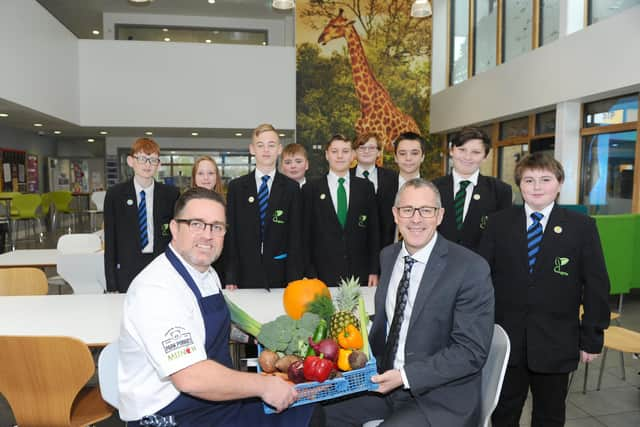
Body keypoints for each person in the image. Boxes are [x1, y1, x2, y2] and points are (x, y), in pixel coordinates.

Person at [118, 187, 319, 426]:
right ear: (174, 228)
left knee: (310, 408)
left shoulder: (206, 272)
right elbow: (190, 377)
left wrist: (258, 337)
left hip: (213, 401)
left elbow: (210, 325)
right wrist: (263, 385)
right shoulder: (156, 289)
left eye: (216, 227)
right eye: (196, 224)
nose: (207, 235)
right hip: (171, 414)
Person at [325, 178, 494, 426]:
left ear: (440, 215)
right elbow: (392, 323)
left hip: (440, 397)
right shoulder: (389, 256)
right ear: (395, 214)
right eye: (407, 210)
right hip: (385, 383)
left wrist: (405, 376)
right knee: (319, 413)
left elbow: (470, 352)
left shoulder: (470, 268)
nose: (416, 219)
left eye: (426, 210)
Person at [478, 153, 610, 427]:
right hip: (506, 340)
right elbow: (481, 280)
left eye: (545, 179)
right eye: (529, 180)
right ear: (520, 185)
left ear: (559, 184)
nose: (537, 187)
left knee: (549, 416)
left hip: (557, 342)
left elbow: (596, 284)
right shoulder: (498, 223)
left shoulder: (581, 227)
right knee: (503, 413)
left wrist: (592, 337)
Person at [224, 123, 303, 289]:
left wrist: (294, 279)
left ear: (279, 149)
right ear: (252, 149)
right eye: (260, 145)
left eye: (271, 145)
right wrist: (231, 275)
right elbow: (231, 236)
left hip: (280, 276)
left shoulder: (291, 188)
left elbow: (295, 237)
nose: (266, 150)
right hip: (244, 276)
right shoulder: (237, 187)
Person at [104, 137, 179, 293]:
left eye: (152, 160)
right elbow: (110, 242)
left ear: (158, 164)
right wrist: (111, 284)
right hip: (128, 268)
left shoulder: (170, 194)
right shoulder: (115, 195)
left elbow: (174, 234)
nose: (147, 164)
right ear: (131, 161)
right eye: (142, 158)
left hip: (161, 264)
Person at [303, 134, 380, 287]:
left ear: (353, 155)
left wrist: (374, 269)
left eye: (345, 151)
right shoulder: (311, 189)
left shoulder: (365, 187)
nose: (339, 156)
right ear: (326, 155)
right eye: (334, 151)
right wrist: (310, 273)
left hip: (360, 274)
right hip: (321, 275)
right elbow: (305, 236)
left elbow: (373, 231)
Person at [433, 127, 512, 252]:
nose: (467, 157)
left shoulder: (500, 191)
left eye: (475, 152)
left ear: (485, 156)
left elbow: (503, 236)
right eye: (462, 150)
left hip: (481, 266)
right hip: (437, 264)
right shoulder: (432, 188)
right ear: (452, 151)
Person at [350, 132, 398, 250]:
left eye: (371, 148)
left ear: (378, 152)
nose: (366, 151)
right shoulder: (345, 177)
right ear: (354, 152)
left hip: (385, 244)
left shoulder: (393, 178)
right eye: (362, 147)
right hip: (353, 244)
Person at [381, 132, 426, 246]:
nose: (408, 158)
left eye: (414, 153)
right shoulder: (381, 191)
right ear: (395, 157)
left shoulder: (432, 191)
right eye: (402, 153)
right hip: (388, 256)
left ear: (422, 157)